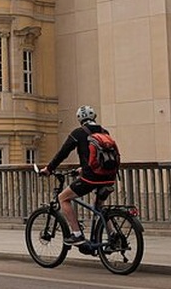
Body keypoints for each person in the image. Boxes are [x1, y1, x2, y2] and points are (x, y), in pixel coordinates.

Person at [40, 105, 118, 246]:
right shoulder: (104, 132)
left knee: (63, 198)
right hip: (109, 178)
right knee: (99, 207)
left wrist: (49, 169)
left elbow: (63, 154)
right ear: (94, 117)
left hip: (91, 179)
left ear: (79, 119)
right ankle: (114, 236)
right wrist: (82, 169)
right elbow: (100, 158)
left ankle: (76, 234)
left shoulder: (78, 133)